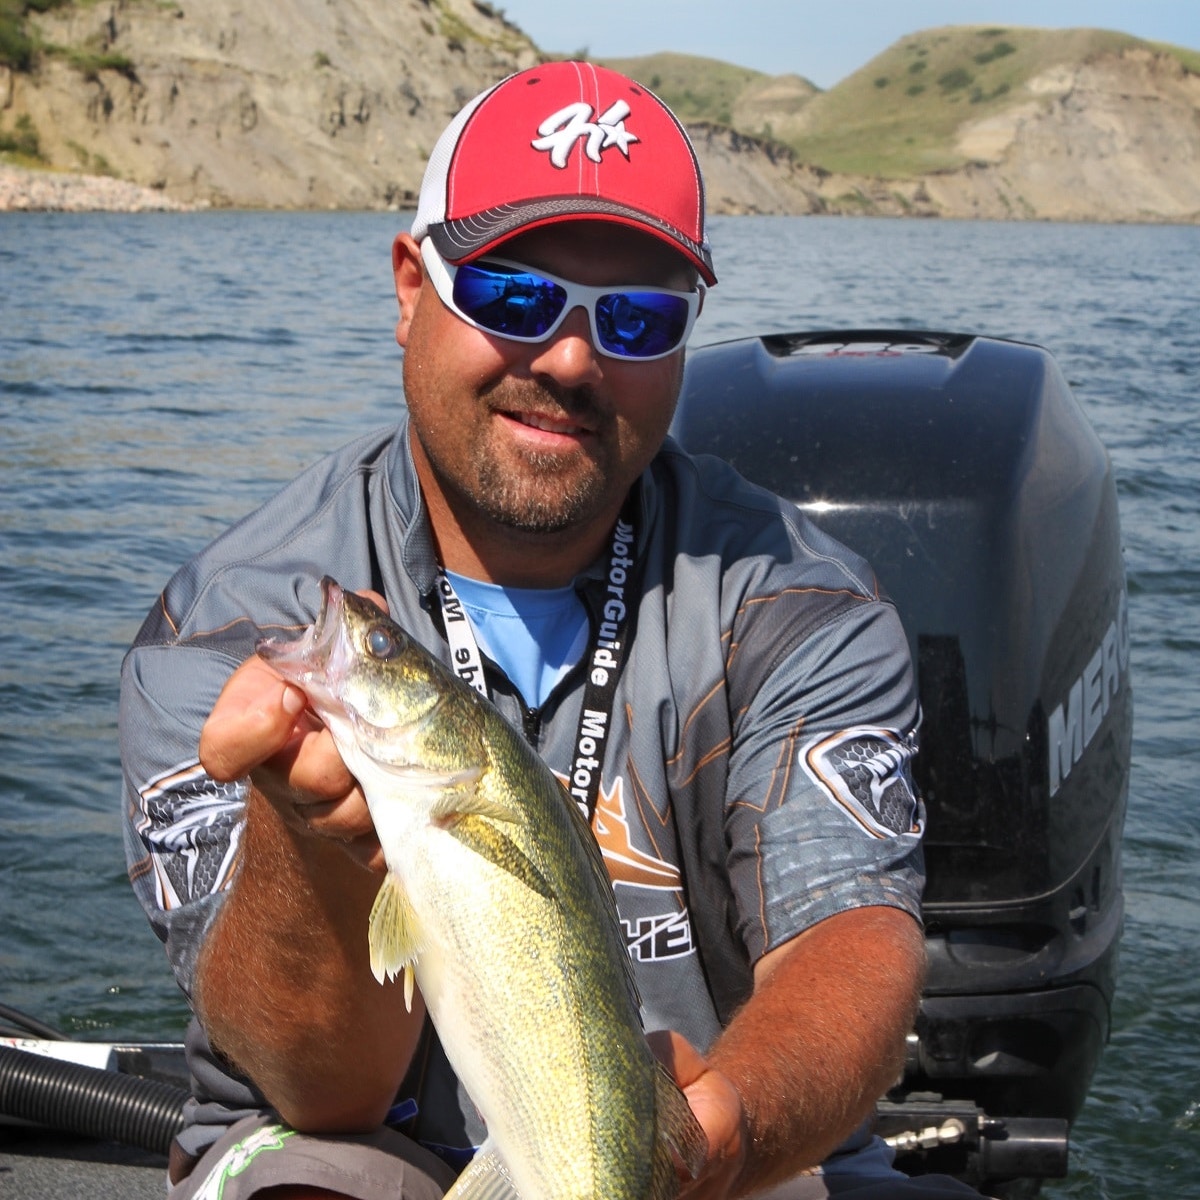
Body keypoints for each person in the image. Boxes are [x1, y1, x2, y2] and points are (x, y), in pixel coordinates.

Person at [120, 61, 982, 1200]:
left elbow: (852, 945)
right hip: (364, 1150)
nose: (572, 361)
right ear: (408, 287)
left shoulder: (799, 599)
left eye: (635, 317)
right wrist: (313, 840)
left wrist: (715, 1132)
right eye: (514, 297)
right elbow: (320, 1089)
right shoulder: (233, 623)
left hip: (711, 1149)